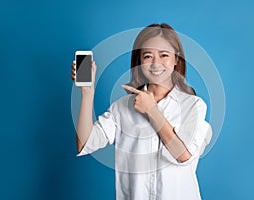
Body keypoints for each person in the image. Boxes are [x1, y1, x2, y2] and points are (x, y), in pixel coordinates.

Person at [70, 23, 212, 200]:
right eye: (147, 56)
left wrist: (152, 111)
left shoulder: (194, 106)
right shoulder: (122, 108)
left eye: (164, 55)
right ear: (139, 61)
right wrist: (87, 92)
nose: (155, 63)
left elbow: (184, 156)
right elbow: (85, 143)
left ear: (177, 59)